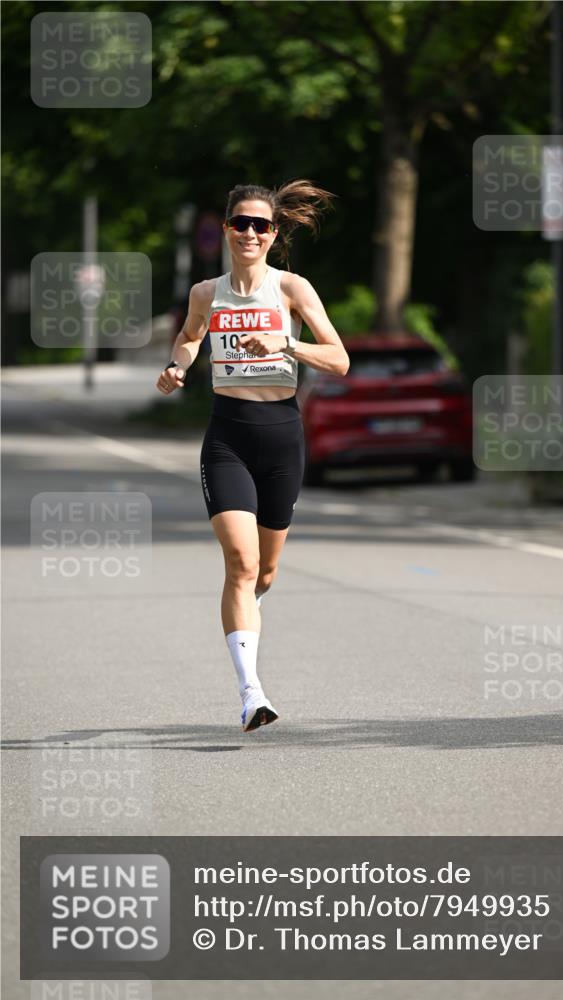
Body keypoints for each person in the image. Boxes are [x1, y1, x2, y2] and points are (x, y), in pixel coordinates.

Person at [156, 180, 349, 731]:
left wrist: (286, 343)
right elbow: (191, 337)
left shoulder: (291, 289)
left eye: (261, 225)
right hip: (228, 438)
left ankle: (249, 614)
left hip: (282, 437)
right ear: (226, 229)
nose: (250, 232)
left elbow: (338, 360)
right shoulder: (205, 293)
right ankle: (251, 693)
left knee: (265, 570)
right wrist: (179, 366)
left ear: (273, 235)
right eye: (240, 222)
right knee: (240, 564)